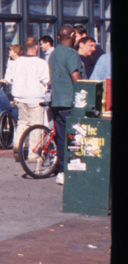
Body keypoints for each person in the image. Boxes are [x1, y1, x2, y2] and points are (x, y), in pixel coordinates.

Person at [47, 26, 84, 185]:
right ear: (73, 35)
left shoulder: (53, 54)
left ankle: (62, 172)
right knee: (76, 138)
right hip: (71, 101)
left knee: (62, 138)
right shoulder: (71, 54)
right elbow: (77, 78)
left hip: (57, 102)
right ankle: (75, 171)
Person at [6, 40, 50, 162]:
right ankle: (33, 153)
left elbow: (9, 79)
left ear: (25, 48)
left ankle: (17, 144)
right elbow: (46, 79)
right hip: (35, 98)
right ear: (37, 47)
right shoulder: (41, 63)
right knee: (36, 125)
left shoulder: (17, 62)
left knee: (23, 122)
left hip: (20, 97)